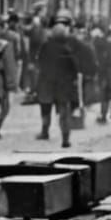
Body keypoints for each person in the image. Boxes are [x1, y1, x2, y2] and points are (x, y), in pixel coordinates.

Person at [33, 16, 79, 146]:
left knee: (45, 109)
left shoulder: (45, 47)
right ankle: (65, 138)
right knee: (64, 112)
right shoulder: (67, 49)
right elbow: (74, 68)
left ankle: (44, 131)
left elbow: (39, 62)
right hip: (63, 85)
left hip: (47, 83)